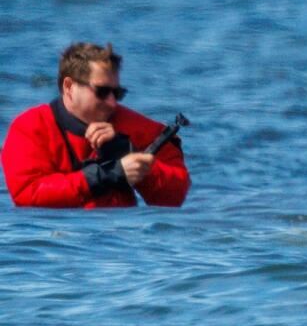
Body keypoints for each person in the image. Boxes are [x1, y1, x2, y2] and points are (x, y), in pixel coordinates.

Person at [1, 42, 191, 208]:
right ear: (69, 87)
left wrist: (132, 156)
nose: (112, 103)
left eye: (117, 93)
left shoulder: (136, 128)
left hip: (122, 240)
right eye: (101, 92)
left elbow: (175, 197)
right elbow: (28, 194)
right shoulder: (29, 127)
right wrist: (107, 174)